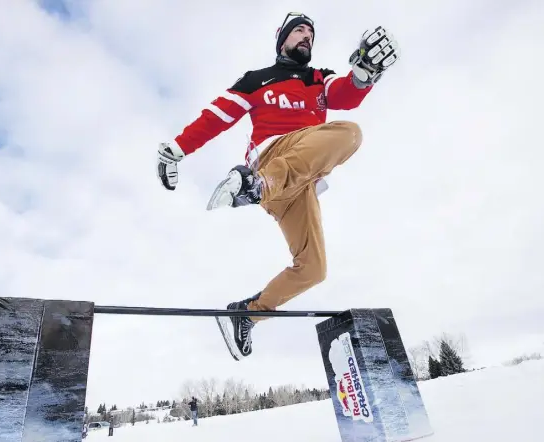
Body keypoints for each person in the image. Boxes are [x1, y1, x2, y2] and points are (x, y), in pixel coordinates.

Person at [156, 12, 400, 360]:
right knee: (350, 133)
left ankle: (246, 313)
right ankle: (255, 184)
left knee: (313, 268)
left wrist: (364, 73)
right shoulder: (259, 80)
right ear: (281, 39)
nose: (307, 37)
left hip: (294, 184)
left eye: (311, 34)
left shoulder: (318, 79)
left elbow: (345, 93)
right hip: (272, 158)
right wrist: (175, 151)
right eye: (299, 31)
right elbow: (217, 117)